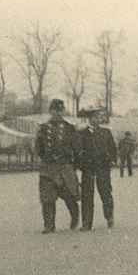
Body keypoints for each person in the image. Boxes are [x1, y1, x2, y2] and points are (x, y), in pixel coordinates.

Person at [36, 99, 81, 233]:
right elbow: (38, 148)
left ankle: (75, 216)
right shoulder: (43, 128)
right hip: (48, 168)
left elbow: (76, 147)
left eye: (60, 110)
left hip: (65, 167)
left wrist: (73, 165)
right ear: (50, 111)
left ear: (63, 111)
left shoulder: (69, 128)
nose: (57, 113)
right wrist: (46, 159)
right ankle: (49, 225)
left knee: (70, 196)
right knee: (47, 198)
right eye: (54, 110)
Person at [78, 108, 118, 230]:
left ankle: (109, 217)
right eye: (94, 117)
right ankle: (86, 223)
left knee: (106, 193)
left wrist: (111, 160)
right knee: (87, 196)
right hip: (88, 169)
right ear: (89, 119)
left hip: (103, 168)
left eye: (98, 117)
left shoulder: (106, 132)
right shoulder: (82, 134)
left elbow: (112, 148)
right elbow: (78, 150)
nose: (97, 119)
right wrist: (81, 165)